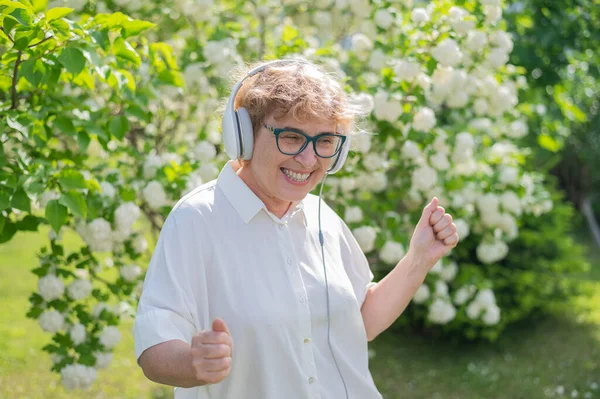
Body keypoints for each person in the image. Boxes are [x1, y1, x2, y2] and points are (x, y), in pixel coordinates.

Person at [134, 58, 459, 399]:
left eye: (325, 141)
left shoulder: (322, 217)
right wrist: (191, 363)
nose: (308, 160)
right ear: (243, 135)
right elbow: (154, 347)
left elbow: (359, 323)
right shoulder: (196, 220)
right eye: (291, 137)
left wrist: (418, 259)